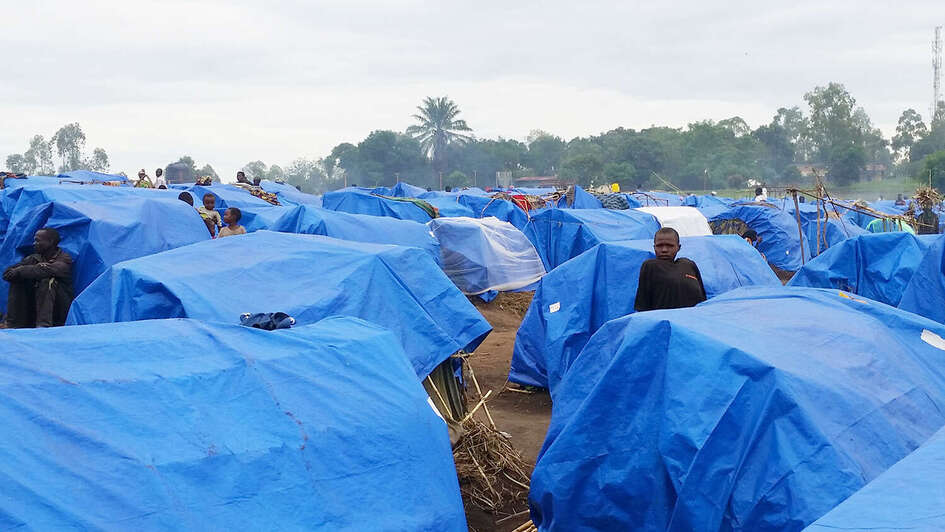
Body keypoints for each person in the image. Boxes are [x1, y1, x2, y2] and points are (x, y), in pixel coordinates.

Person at [1, 228, 74, 328]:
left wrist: (22, 270)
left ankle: (44, 325)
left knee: (47, 281)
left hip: (57, 308)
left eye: (38, 240)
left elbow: (48, 270)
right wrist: (23, 270)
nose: (34, 243)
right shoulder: (33, 258)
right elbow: (7, 274)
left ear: (50, 242)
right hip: (33, 306)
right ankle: (14, 323)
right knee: (18, 280)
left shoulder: (64, 259)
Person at [634, 227, 707, 312]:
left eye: (670, 246)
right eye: (659, 246)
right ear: (654, 247)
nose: (664, 250)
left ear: (678, 247)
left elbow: (703, 299)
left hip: (692, 320)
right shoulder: (650, 266)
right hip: (665, 321)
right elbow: (643, 306)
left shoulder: (689, 265)